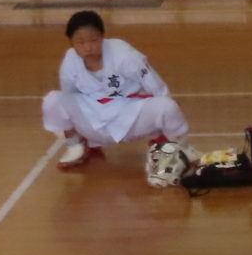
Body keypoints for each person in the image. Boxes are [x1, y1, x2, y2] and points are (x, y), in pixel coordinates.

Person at [40, 10, 190, 172]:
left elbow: (152, 82)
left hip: (129, 113)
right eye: (80, 43)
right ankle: (76, 146)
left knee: (167, 106)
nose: (88, 47)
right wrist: (80, 128)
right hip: (93, 117)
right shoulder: (70, 60)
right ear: (71, 43)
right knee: (53, 100)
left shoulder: (123, 53)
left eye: (94, 40)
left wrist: (164, 110)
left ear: (103, 37)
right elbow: (69, 97)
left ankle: (173, 146)